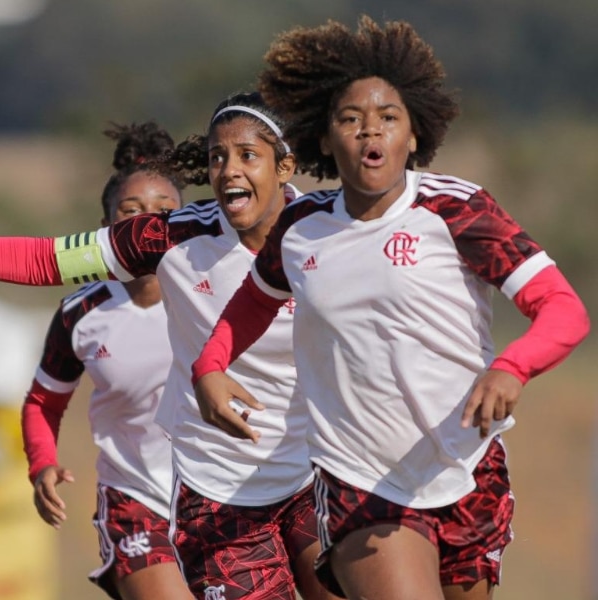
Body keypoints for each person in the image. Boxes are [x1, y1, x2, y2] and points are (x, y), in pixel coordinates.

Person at [0, 93, 336, 600]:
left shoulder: (326, 231)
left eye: (247, 156)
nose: (229, 170)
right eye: (216, 157)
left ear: (285, 164)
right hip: (217, 491)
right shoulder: (171, 240)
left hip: (312, 473)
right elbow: (43, 261)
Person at [191, 16, 590, 600]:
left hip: (465, 465)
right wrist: (210, 366)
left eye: (387, 119)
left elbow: (562, 308)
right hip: (360, 482)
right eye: (349, 120)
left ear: (413, 134)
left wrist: (513, 366)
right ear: (323, 139)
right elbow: (251, 303)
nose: (368, 133)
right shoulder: (302, 230)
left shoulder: (458, 211)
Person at [23, 121, 188, 599]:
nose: (147, 223)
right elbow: (41, 402)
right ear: (105, 231)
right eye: (130, 212)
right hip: (135, 500)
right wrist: (42, 465)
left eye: (164, 211)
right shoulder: (82, 313)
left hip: (225, 493)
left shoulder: (217, 290)